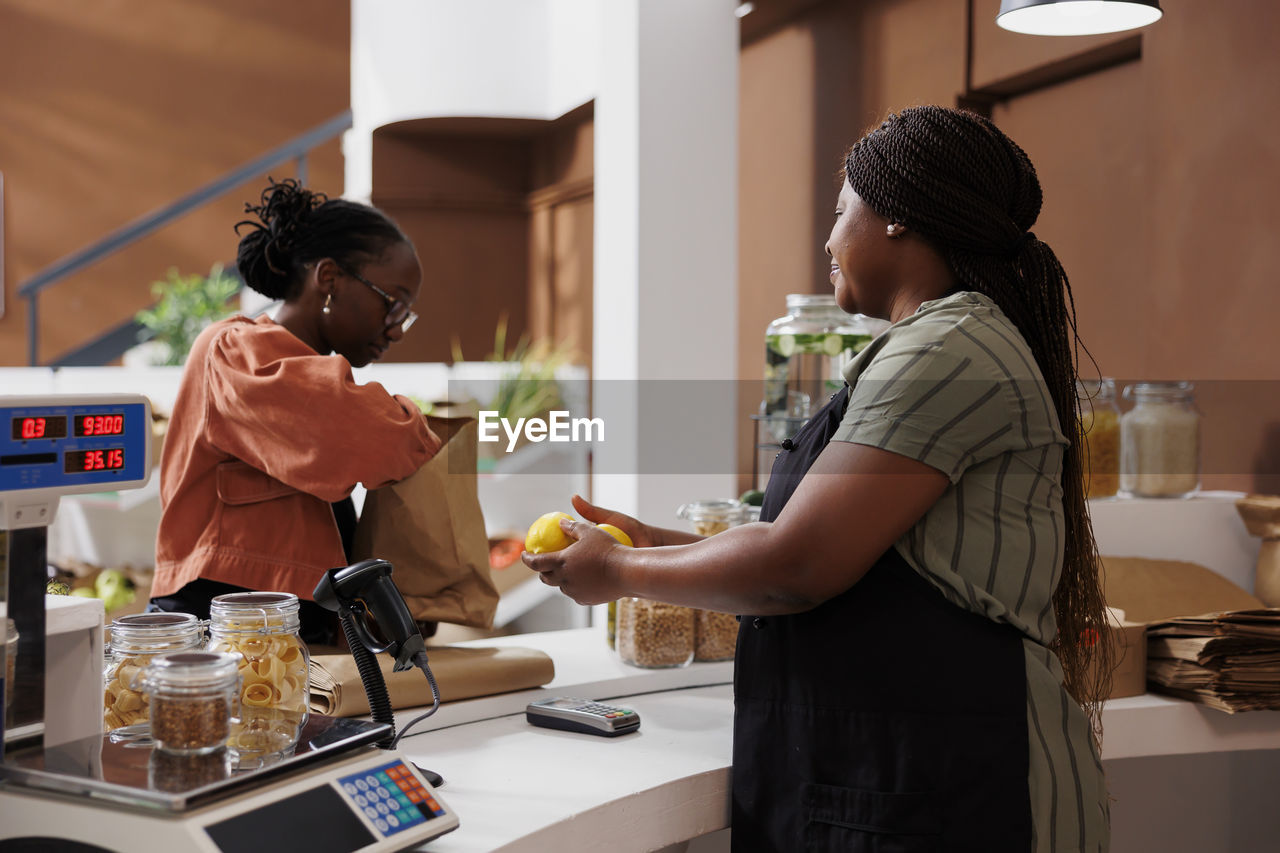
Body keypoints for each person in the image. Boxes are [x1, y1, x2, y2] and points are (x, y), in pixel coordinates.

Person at [523, 106, 1112, 852]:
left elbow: (799, 566)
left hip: (946, 786)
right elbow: (861, 554)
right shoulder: (934, 343)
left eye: (840, 212)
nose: (828, 239)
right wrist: (656, 543)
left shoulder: (947, 350)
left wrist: (621, 568)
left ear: (895, 216)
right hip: (893, 777)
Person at [150, 178, 442, 644]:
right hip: (217, 624)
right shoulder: (235, 350)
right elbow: (385, 441)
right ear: (328, 279)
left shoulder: (312, 379)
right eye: (393, 304)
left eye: (406, 314)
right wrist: (415, 422)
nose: (397, 329)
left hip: (278, 626)